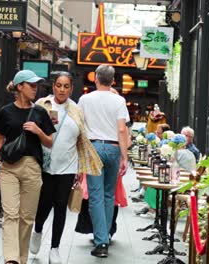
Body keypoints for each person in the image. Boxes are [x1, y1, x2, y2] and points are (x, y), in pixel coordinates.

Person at [29, 72, 103, 264]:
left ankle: (55, 248)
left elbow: (81, 138)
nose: (62, 89)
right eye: (59, 85)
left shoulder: (76, 110)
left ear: (71, 88)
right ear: (53, 86)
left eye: (66, 86)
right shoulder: (41, 105)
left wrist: (80, 167)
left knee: (61, 206)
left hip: (68, 166)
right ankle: (37, 230)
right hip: (44, 165)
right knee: (43, 205)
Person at [0, 70, 56, 264]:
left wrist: (38, 131)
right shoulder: (6, 112)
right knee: (10, 214)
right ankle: (11, 259)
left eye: (37, 86)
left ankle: (22, 258)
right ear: (20, 87)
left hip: (32, 167)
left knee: (27, 217)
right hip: (9, 166)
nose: (35, 89)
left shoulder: (40, 112)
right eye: (31, 85)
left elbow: (50, 142)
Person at [78, 64, 129, 258]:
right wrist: (124, 157)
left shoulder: (85, 99)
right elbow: (122, 130)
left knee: (96, 196)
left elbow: (80, 127)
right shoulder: (119, 101)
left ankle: (101, 243)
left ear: (95, 78)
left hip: (93, 148)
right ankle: (105, 236)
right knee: (109, 195)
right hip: (114, 147)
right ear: (113, 80)